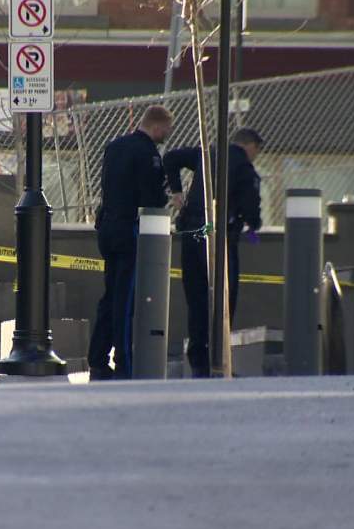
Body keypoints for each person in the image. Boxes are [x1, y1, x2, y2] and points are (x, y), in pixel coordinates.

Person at [165, 128, 264, 378]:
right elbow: (251, 207)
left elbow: (171, 158)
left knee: (196, 298)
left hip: (192, 232)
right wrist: (254, 224)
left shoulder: (207, 154)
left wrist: (177, 191)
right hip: (219, 234)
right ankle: (218, 360)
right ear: (250, 146)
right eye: (257, 152)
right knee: (224, 299)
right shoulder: (244, 167)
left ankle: (198, 362)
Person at [87, 105, 174, 380]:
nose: (167, 135)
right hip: (128, 230)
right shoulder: (148, 153)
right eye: (166, 130)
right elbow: (154, 198)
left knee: (110, 295)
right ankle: (124, 362)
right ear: (157, 126)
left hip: (107, 228)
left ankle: (97, 359)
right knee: (124, 300)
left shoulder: (114, 146)